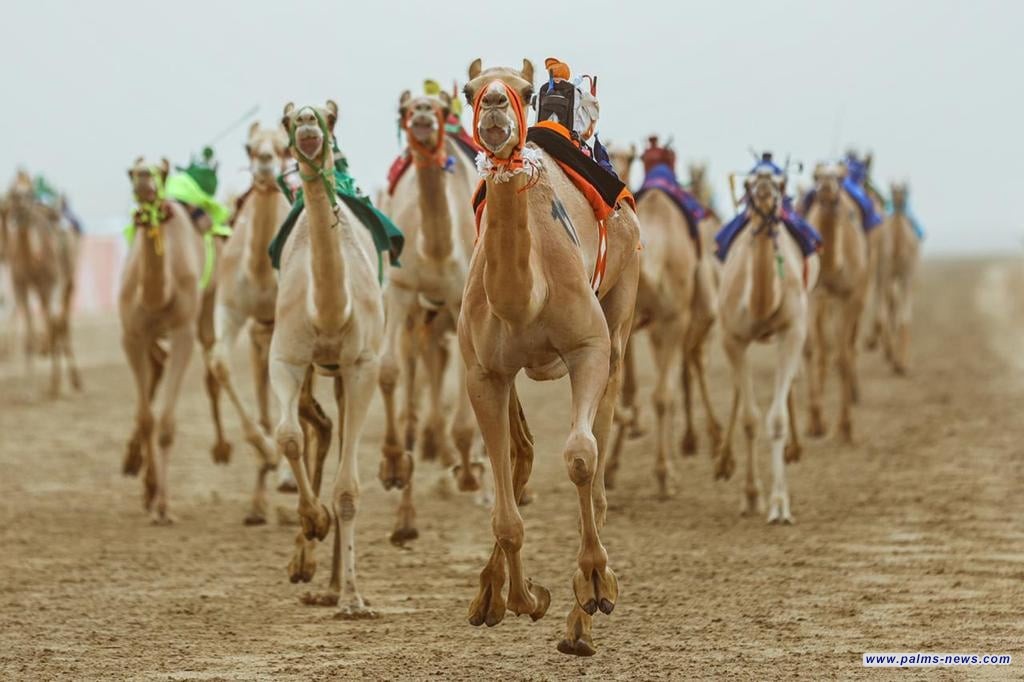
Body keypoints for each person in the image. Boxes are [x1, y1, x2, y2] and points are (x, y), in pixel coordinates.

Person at [715, 152, 822, 261]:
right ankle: (812, 242)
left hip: (767, 206)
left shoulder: (756, 169)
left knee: (738, 222)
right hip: (764, 206)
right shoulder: (776, 170)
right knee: (794, 222)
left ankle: (720, 245)